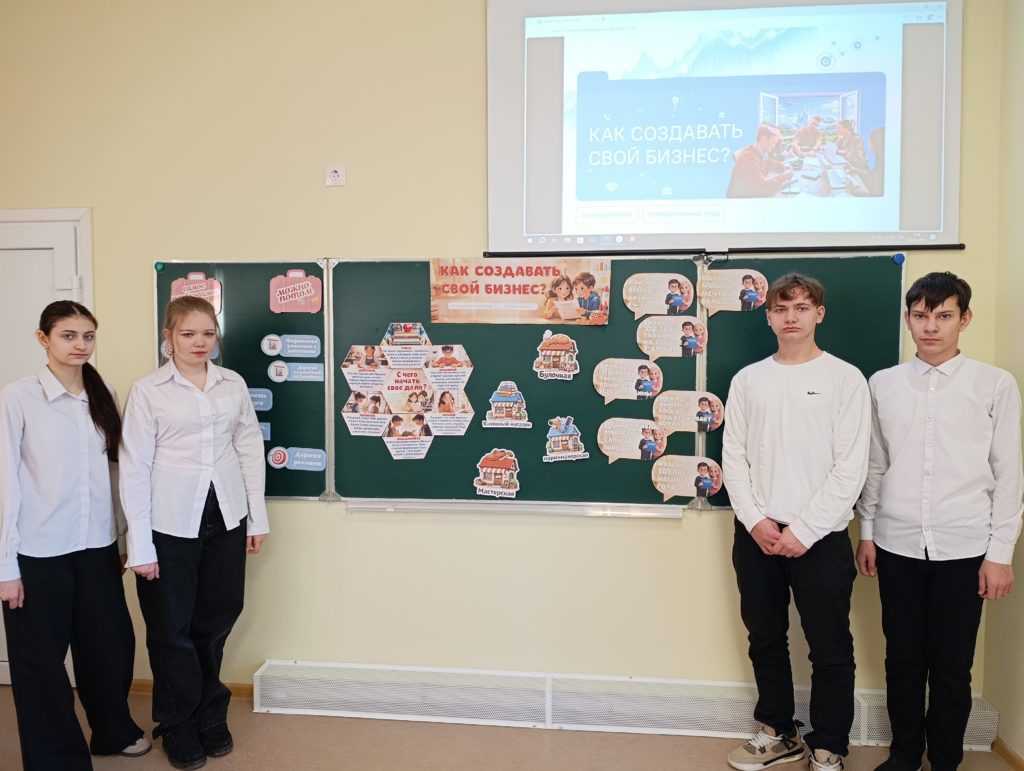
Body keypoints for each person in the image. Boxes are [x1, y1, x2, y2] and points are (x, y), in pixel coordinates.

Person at [855, 272, 1023, 771]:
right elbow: (875, 464)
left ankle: (945, 760)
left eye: (944, 315)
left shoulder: (995, 384)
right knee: (903, 660)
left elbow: (1009, 473)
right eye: (921, 316)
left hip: (966, 546)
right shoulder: (883, 384)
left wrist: (1001, 553)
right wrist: (867, 533)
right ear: (908, 319)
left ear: (964, 319)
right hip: (896, 543)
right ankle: (905, 755)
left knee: (952, 667)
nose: (931, 327)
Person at [722, 273, 871, 771]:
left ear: (818, 314)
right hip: (757, 533)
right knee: (765, 637)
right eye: (782, 309)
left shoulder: (845, 379)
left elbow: (851, 467)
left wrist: (804, 530)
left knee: (830, 646)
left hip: (821, 536)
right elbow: (733, 458)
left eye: (802, 308)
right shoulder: (748, 380)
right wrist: (755, 520)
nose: (791, 317)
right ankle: (778, 730)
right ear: (768, 316)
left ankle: (829, 745)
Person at [120, 296, 269, 770]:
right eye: (188, 334)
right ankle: (176, 722)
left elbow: (249, 449)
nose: (199, 342)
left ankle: (209, 713)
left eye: (207, 333)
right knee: (171, 628)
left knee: (218, 617)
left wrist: (256, 518)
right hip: (168, 522)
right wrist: (139, 544)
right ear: (168, 337)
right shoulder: (148, 391)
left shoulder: (232, 384)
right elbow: (134, 468)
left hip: (225, 516)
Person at [0, 301, 149, 770]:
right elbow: (4, 484)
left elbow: (115, 472)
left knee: (110, 646)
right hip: (37, 551)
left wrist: (121, 538)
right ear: (43, 339)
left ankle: (112, 730)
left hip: (97, 547)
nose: (80, 345)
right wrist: (5, 567)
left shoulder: (103, 393)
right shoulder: (16, 398)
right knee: (41, 663)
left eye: (88, 336)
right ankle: (56, 759)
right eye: (68, 335)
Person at [726, 125, 794, 198]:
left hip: (750, 194)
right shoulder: (749, 158)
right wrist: (784, 177)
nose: (774, 146)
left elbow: (768, 163)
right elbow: (760, 188)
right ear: (764, 139)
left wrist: (782, 166)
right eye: (773, 142)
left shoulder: (758, 151)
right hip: (742, 200)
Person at [845, 127, 884, 197]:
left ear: (876, 143)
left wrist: (855, 191)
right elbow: (873, 175)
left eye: (869, 141)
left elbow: (875, 194)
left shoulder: (882, 160)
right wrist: (854, 169)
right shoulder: (881, 157)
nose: (868, 144)